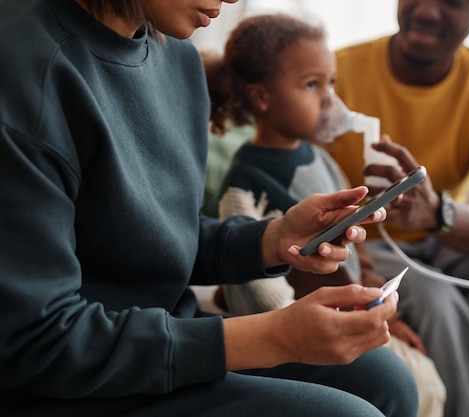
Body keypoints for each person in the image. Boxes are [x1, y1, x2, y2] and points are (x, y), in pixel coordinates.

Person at [0, 1, 419, 416]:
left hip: (154, 340)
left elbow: (143, 234)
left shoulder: (177, 60)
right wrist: (273, 337)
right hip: (62, 380)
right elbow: (35, 339)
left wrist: (271, 239)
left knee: (388, 380)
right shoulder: (25, 70)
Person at [203, 14, 445, 417]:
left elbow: (358, 254)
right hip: (297, 338)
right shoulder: (243, 188)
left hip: (350, 317)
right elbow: (260, 300)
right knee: (414, 385)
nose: (330, 101)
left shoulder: (322, 160)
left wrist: (380, 309)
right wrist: (332, 326)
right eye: (312, 85)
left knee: (428, 381)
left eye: (331, 84)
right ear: (262, 98)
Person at [326, 1, 469, 417]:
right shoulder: (333, 75)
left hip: (448, 236)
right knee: (436, 300)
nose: (429, 11)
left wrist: (435, 212)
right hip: (364, 244)